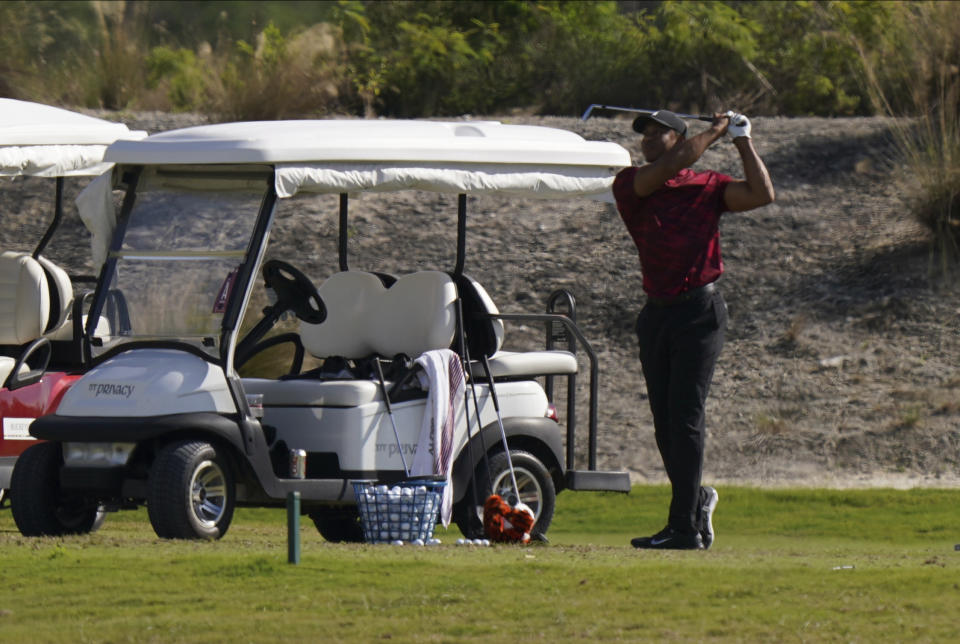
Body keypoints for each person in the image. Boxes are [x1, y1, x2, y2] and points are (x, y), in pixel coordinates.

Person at [612, 110, 774, 550]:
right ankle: (696, 501)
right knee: (665, 425)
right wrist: (718, 129)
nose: (646, 140)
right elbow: (668, 166)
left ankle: (684, 527)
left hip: (700, 312)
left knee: (684, 418)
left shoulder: (709, 187)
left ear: (680, 135)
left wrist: (740, 138)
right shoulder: (631, 183)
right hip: (656, 315)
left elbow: (762, 193)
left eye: (656, 132)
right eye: (642, 135)